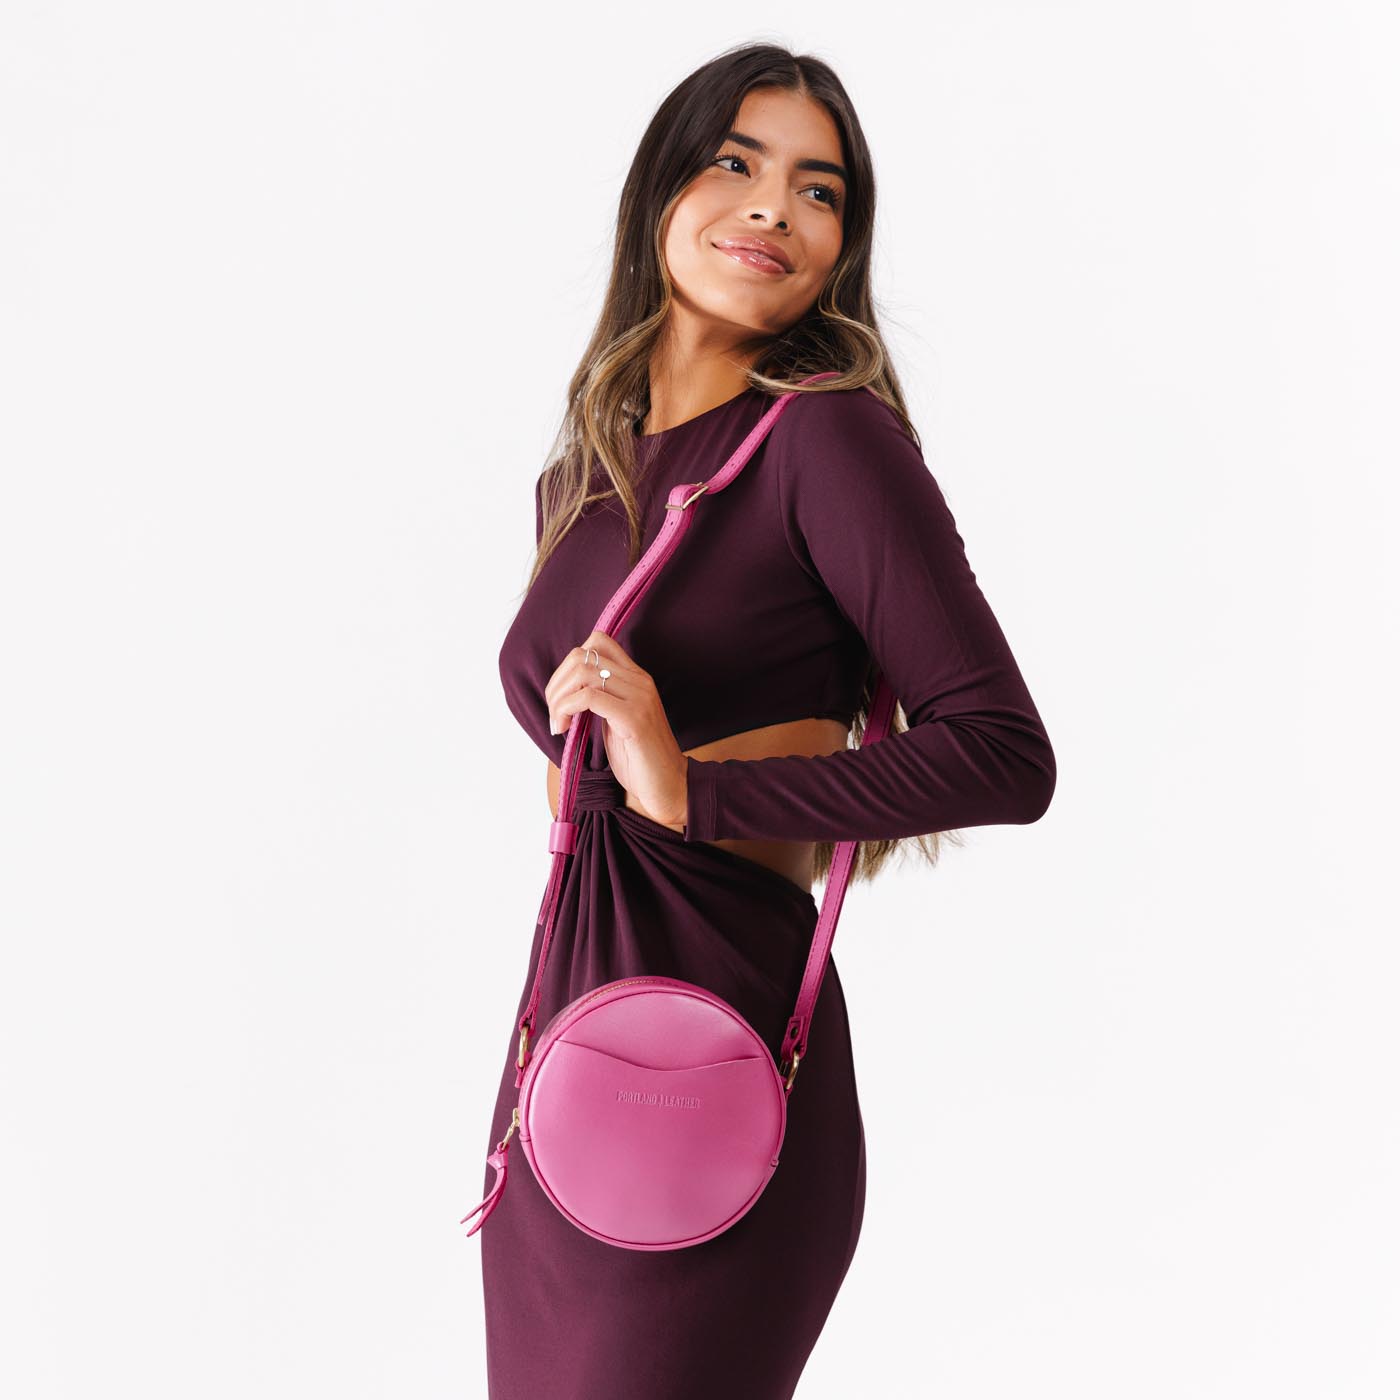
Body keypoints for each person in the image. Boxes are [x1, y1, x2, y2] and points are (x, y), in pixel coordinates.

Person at [479, 42, 1056, 1399]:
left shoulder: (822, 439)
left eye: (818, 189)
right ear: (661, 191)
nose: (771, 208)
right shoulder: (584, 475)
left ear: (843, 246)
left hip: (714, 1060)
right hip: (560, 1053)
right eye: (736, 163)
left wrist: (695, 792)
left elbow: (1003, 752)